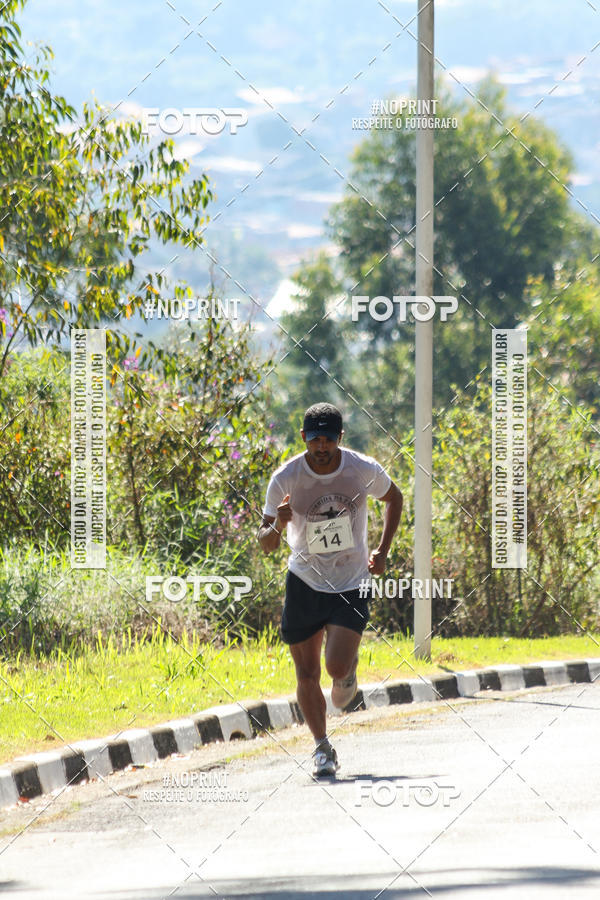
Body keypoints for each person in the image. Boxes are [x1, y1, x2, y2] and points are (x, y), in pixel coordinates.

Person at [258, 402, 403, 776]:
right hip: (305, 580)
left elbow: (395, 498)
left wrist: (383, 552)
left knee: (335, 666)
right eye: (314, 439)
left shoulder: (360, 468)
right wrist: (278, 524)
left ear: (340, 438)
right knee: (306, 674)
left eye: (328, 439)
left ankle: (348, 671)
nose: (321, 447)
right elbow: (266, 542)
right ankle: (322, 747)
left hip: (350, 581)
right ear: (303, 438)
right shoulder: (286, 477)